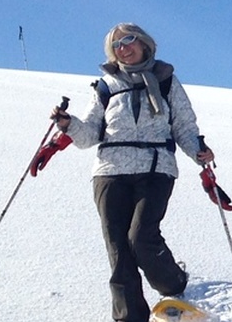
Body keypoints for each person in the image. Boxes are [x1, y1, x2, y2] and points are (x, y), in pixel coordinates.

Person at [51, 23, 216, 322]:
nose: (123, 48)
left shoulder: (165, 80)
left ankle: (173, 283)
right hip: (110, 173)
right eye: (116, 45)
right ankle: (129, 317)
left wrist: (199, 153)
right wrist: (68, 124)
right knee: (117, 246)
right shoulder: (104, 86)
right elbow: (88, 135)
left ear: (144, 43)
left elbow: (184, 127)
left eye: (128, 40)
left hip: (156, 169)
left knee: (140, 236)